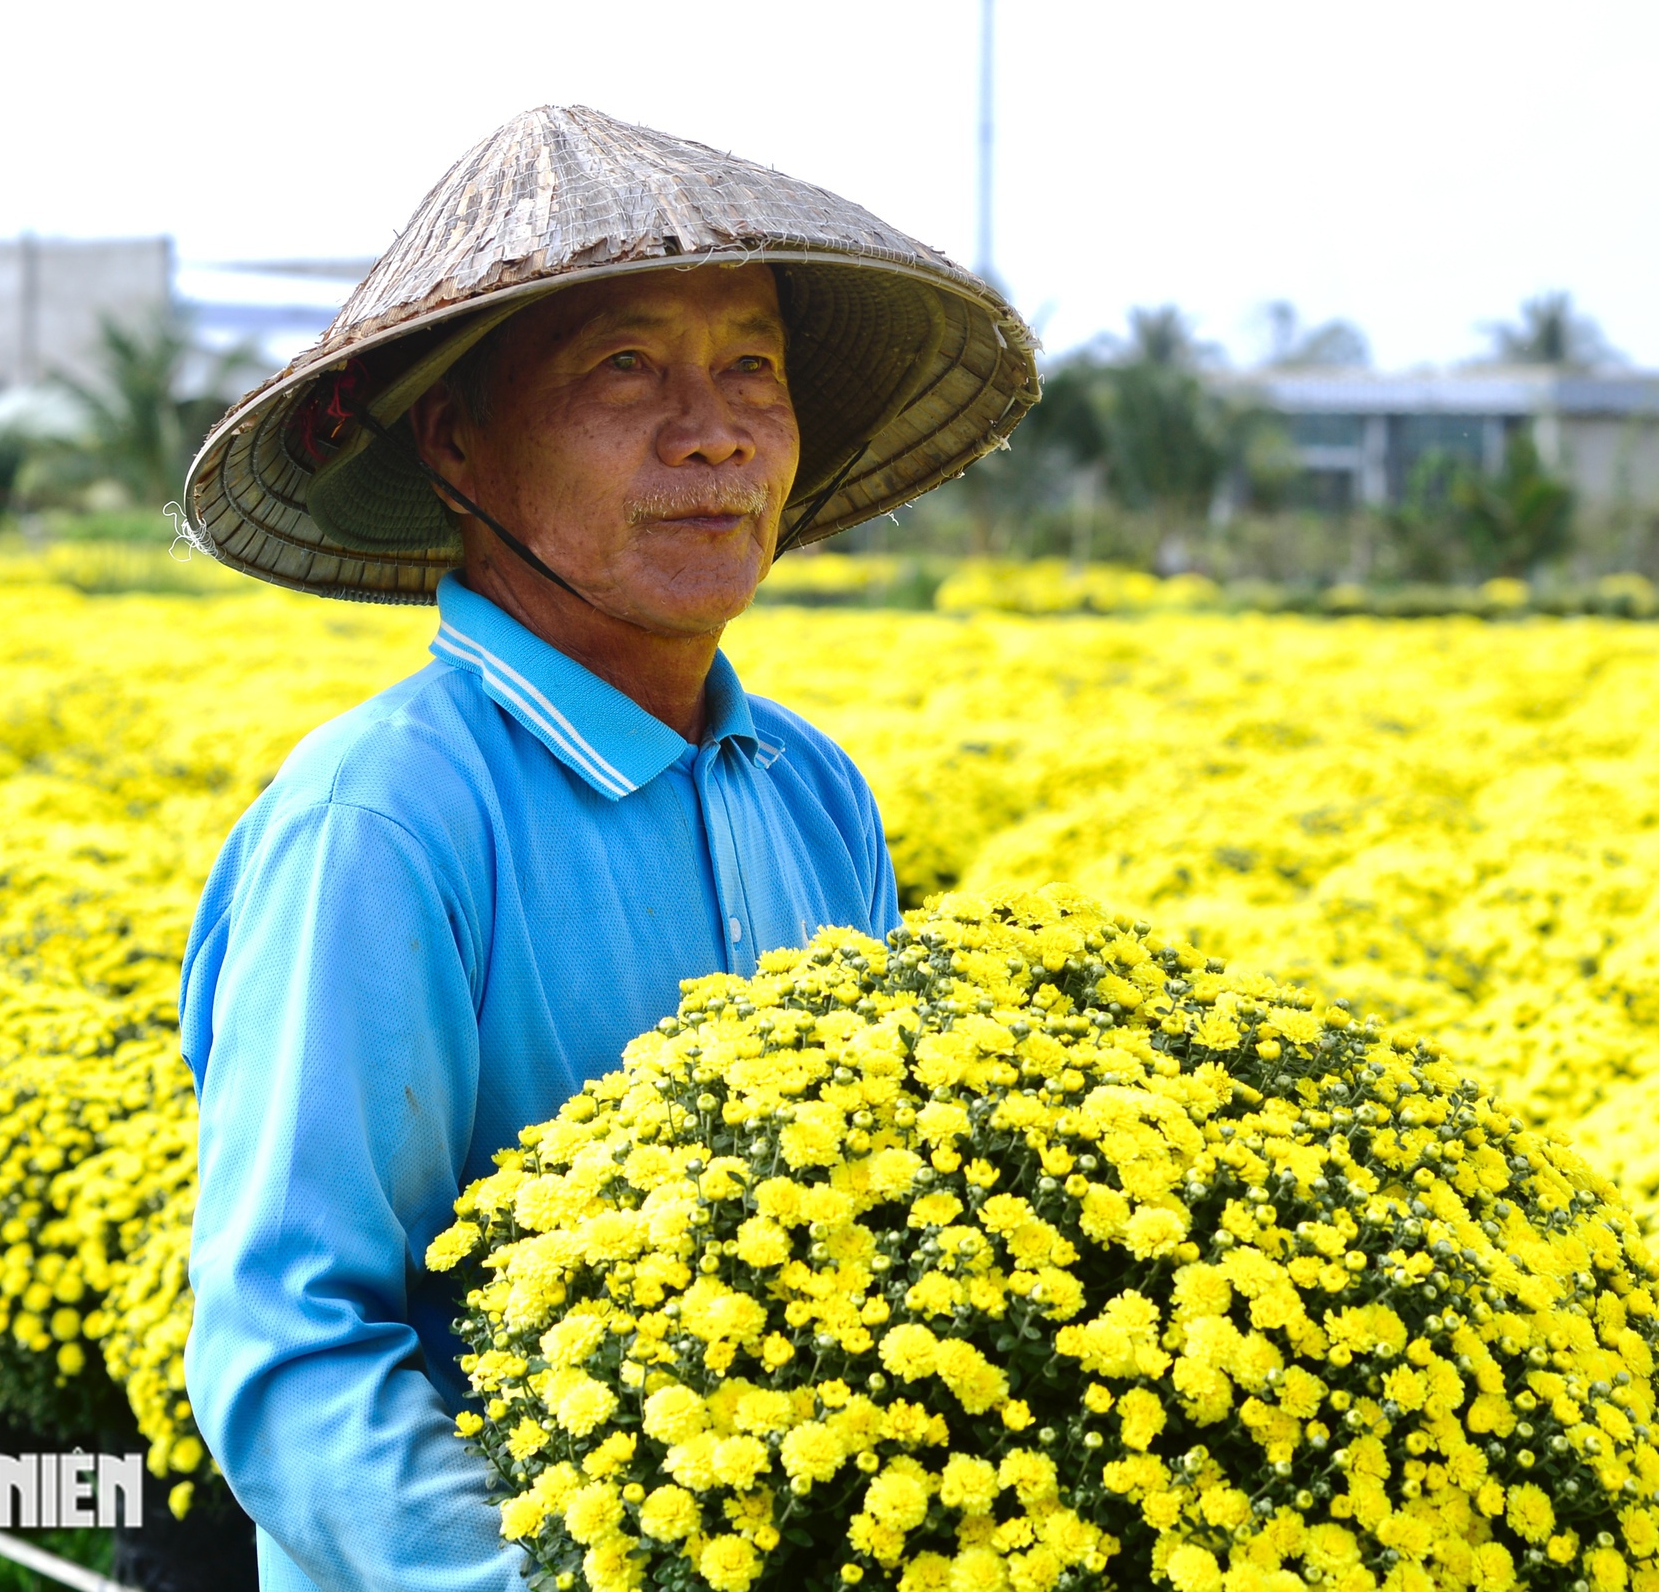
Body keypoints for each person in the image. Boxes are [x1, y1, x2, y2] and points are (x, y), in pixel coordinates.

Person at [174, 105, 1037, 1591]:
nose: (713, 430)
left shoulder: (812, 793)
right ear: (457, 442)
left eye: (750, 365)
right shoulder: (385, 821)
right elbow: (294, 1358)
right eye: (623, 365)